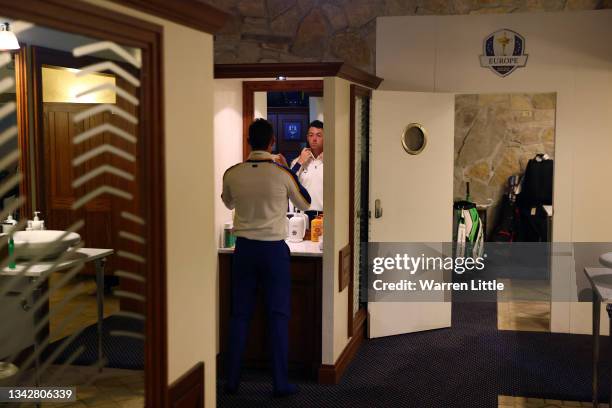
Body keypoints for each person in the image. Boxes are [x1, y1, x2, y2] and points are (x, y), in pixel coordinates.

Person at [221, 118, 311, 397]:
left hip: (245, 249)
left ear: (249, 142)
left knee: (239, 316)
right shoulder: (281, 174)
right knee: (278, 316)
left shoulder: (233, 173)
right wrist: (287, 168)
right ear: (272, 142)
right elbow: (305, 203)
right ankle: (280, 383)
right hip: (273, 251)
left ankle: (232, 381)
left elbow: (228, 202)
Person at [290, 120, 323, 217]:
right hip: (302, 215)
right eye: (311, 135)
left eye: (319, 135)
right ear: (307, 138)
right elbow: (289, 183)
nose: (314, 139)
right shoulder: (297, 161)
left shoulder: (332, 162)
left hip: (324, 215)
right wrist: (300, 162)